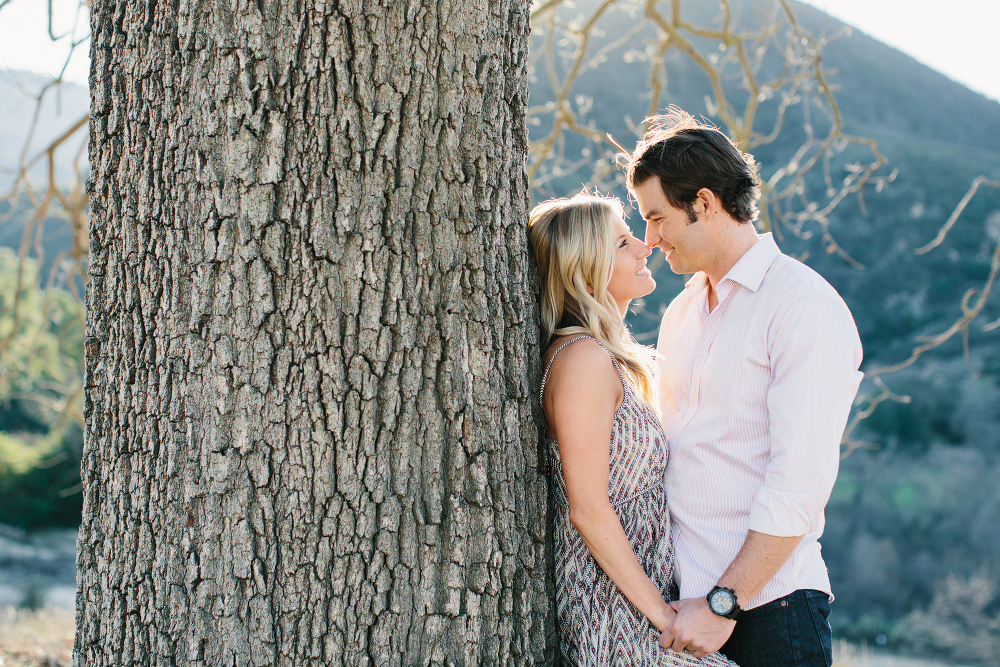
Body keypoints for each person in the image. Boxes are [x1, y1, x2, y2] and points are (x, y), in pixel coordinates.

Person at [623, 108, 864, 667]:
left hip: (768, 614)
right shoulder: (681, 314)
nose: (651, 239)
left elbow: (798, 485)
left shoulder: (801, 305)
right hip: (682, 612)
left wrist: (723, 604)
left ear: (704, 203)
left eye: (657, 218)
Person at [529, 193, 737, 666]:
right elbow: (588, 510)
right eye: (624, 242)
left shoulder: (606, 359)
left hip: (641, 604)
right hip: (616, 614)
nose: (645, 247)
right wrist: (664, 618)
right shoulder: (582, 360)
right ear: (589, 267)